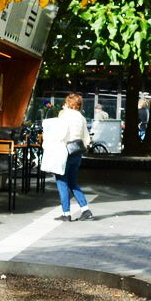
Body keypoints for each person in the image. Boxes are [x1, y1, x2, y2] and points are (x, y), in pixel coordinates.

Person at [44, 93, 93, 221]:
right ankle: (85, 209)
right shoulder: (81, 118)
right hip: (77, 152)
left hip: (64, 152)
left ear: (69, 103)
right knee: (73, 182)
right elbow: (86, 138)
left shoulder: (65, 116)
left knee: (62, 182)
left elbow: (60, 135)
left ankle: (66, 214)